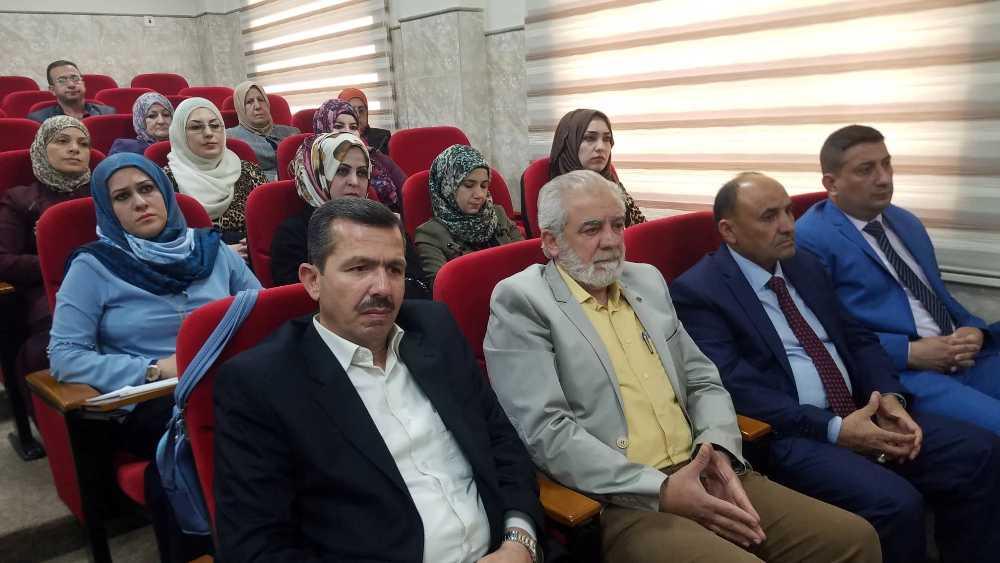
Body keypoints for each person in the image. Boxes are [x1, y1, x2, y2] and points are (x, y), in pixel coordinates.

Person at [484, 170, 880, 563]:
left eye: (617, 225)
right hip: (625, 499)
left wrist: (717, 448)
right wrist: (660, 489)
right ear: (551, 241)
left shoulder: (645, 281)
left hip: (705, 468)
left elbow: (702, 379)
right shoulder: (523, 302)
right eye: (591, 229)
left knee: (855, 539)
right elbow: (547, 432)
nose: (611, 240)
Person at [671, 172, 1000, 563]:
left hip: (864, 408)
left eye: (789, 212)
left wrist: (890, 399)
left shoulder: (803, 265)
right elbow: (737, 388)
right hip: (793, 433)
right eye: (769, 216)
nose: (787, 225)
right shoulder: (699, 291)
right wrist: (836, 429)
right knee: (898, 504)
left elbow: (859, 339)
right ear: (729, 231)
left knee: (979, 452)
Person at [214, 197, 543, 562]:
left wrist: (519, 540)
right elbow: (256, 548)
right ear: (312, 280)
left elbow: (502, 443)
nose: (383, 288)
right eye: (359, 268)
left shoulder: (434, 330)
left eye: (395, 269)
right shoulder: (261, 384)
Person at [47, 152, 261, 561]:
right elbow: (64, 355)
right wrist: (152, 369)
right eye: (122, 197)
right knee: (215, 442)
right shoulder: (93, 266)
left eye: (146, 189)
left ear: (165, 192)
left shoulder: (210, 249)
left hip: (228, 381)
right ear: (108, 210)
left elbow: (261, 312)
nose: (140, 202)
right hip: (153, 398)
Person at [796, 125, 1000, 435]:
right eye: (866, 169)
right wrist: (909, 352)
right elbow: (820, 331)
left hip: (965, 355)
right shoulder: (809, 239)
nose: (884, 178)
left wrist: (973, 329)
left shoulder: (905, 221)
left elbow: (937, 295)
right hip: (905, 371)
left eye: (886, 164)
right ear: (831, 183)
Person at [0, 116, 93, 411]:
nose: (75, 149)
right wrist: (60, 261)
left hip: (116, 283)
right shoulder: (20, 199)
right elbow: (4, 260)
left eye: (83, 144)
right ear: (41, 149)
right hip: (52, 293)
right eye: (62, 141)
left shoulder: (105, 191)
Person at [270, 132, 430, 297]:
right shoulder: (293, 234)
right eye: (341, 171)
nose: (354, 181)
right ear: (317, 175)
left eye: (361, 173)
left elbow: (420, 286)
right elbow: (299, 301)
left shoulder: (385, 223)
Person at [163, 97, 267, 257]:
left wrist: (256, 245)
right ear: (180, 134)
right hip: (197, 263)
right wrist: (219, 252)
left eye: (215, 125)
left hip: (253, 260)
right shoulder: (165, 181)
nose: (208, 133)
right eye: (196, 127)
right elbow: (163, 241)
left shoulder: (250, 171)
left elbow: (269, 224)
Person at [414, 145, 523, 282]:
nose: (480, 195)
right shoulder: (429, 234)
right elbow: (443, 288)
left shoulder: (498, 214)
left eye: (484, 186)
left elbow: (526, 262)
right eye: (469, 185)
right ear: (447, 186)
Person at [546, 108, 645, 226]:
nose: (601, 147)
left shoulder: (611, 181)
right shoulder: (558, 200)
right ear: (570, 143)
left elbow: (641, 228)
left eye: (607, 139)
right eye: (590, 138)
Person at [312, 98, 405, 212]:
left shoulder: (375, 157)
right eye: (339, 126)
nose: (348, 132)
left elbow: (406, 190)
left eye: (353, 127)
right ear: (323, 128)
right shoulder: (312, 168)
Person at [225, 81, 299, 181]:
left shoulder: (292, 133)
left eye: (261, 100)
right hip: (261, 187)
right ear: (240, 108)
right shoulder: (231, 137)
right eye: (249, 102)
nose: (258, 106)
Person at [26, 60, 115, 122]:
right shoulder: (40, 119)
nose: (71, 85)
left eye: (75, 78)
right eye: (62, 80)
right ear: (52, 90)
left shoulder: (106, 113)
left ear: (83, 83)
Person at [108, 92, 173, 155]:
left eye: (166, 115)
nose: (161, 121)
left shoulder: (178, 146)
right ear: (140, 121)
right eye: (152, 116)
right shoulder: (124, 149)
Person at [338, 86, 391, 154]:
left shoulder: (383, 137)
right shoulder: (333, 141)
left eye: (361, 110)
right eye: (351, 110)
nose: (357, 115)